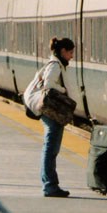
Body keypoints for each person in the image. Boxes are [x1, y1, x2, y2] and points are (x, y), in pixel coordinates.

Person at [38, 37, 76, 198]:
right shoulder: (55, 65)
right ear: (63, 51)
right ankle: (50, 186)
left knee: (50, 148)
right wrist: (64, 91)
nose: (72, 56)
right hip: (52, 112)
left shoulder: (57, 64)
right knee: (50, 149)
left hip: (53, 112)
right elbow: (48, 85)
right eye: (70, 52)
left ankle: (50, 184)